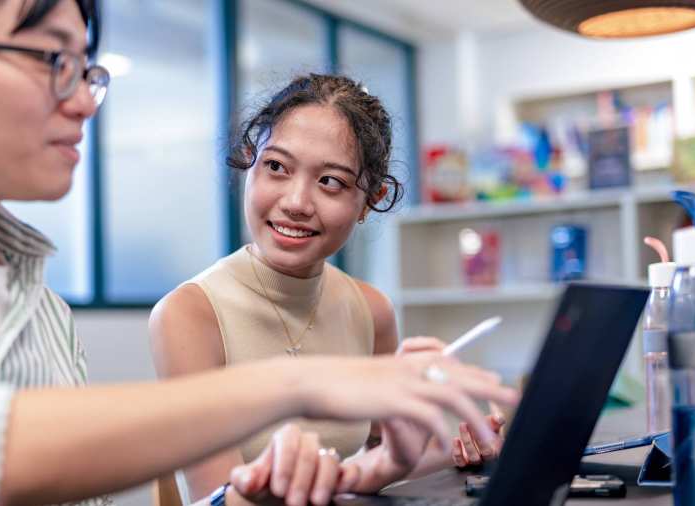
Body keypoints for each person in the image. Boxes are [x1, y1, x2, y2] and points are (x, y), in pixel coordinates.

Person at [0, 2, 516, 505]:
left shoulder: (37, 298)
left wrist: (382, 461)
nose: (87, 102)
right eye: (51, 60)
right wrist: (298, 383)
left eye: (85, 67)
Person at [150, 73, 507, 505]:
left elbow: (389, 457)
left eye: (331, 182)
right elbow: (221, 499)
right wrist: (366, 473)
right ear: (250, 162)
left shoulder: (371, 310)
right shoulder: (189, 313)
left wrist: (459, 452)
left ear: (369, 201)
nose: (297, 202)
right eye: (276, 167)